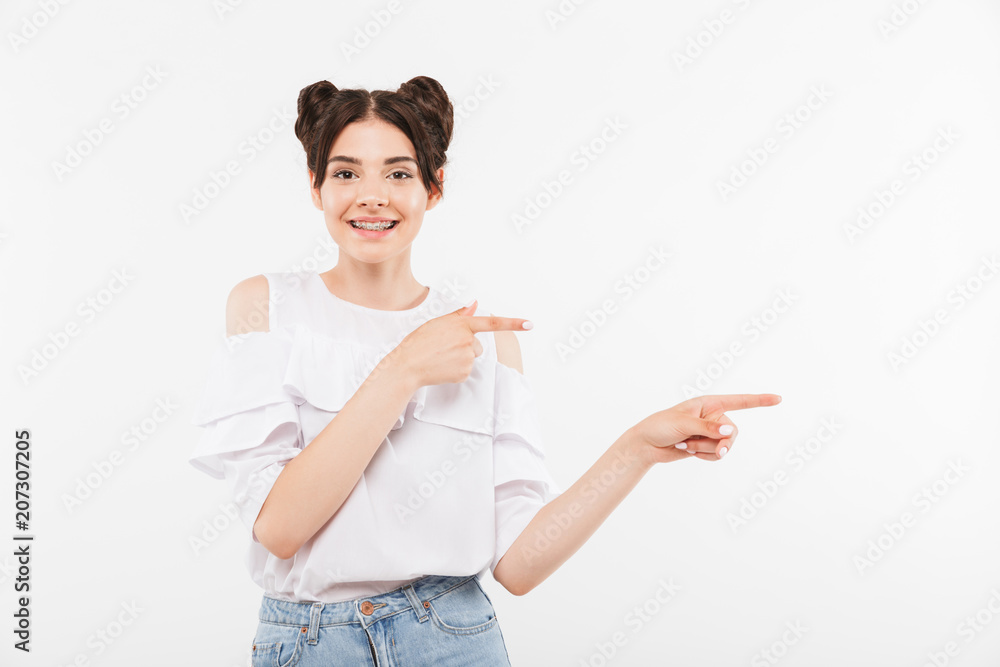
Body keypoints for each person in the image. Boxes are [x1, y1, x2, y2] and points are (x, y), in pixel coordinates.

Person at [188, 75, 782, 666]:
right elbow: (280, 528)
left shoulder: (484, 340)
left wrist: (635, 450)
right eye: (346, 173)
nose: (372, 195)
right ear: (316, 187)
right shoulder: (268, 307)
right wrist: (403, 370)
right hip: (312, 644)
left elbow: (519, 565)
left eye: (398, 173)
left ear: (434, 188)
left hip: (452, 637)